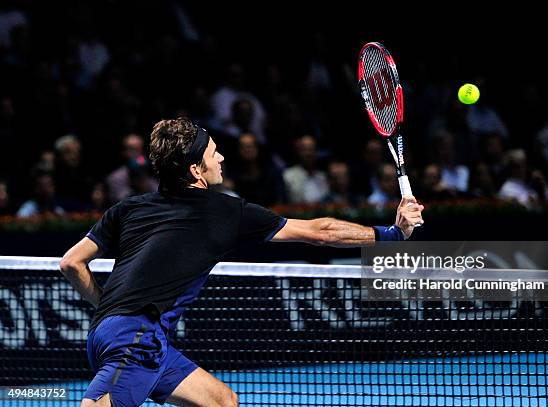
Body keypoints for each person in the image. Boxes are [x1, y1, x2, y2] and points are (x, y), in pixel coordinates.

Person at [60, 117, 424, 407]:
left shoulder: (128, 208)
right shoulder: (224, 211)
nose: (221, 158)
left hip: (118, 333)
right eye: (214, 153)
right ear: (195, 170)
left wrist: (110, 310)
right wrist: (393, 233)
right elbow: (322, 231)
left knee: (222, 401)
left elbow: (71, 264)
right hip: (136, 339)